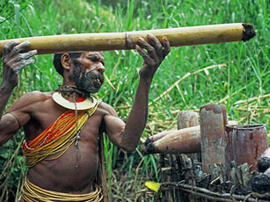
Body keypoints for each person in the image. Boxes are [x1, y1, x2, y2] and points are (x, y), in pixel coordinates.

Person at [0, 34, 170, 201]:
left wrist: (146, 78)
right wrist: (7, 86)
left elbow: (129, 142)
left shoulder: (101, 111)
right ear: (67, 62)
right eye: (94, 59)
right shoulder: (36, 103)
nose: (102, 67)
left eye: (102, 63)